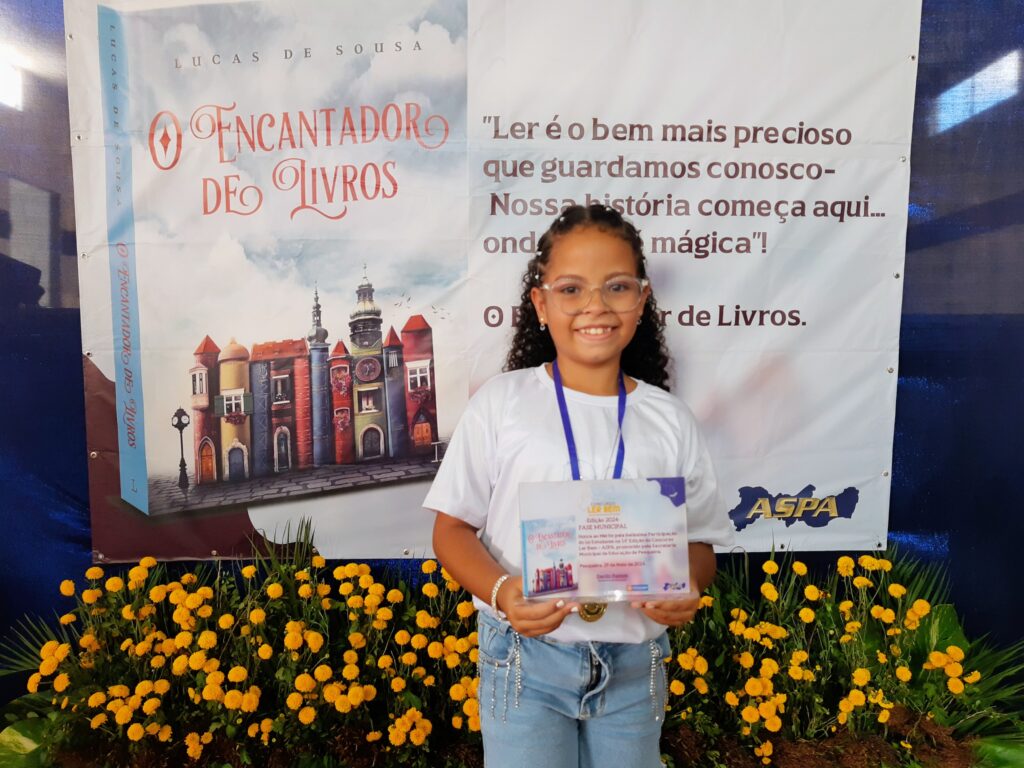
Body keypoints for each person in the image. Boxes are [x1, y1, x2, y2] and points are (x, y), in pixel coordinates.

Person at [424, 203, 734, 768]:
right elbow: (451, 530)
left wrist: (687, 583)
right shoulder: (502, 404)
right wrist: (502, 591)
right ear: (541, 304)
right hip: (525, 658)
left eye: (617, 287)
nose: (596, 305)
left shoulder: (669, 418)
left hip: (635, 664)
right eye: (571, 289)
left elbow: (700, 545)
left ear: (642, 299)